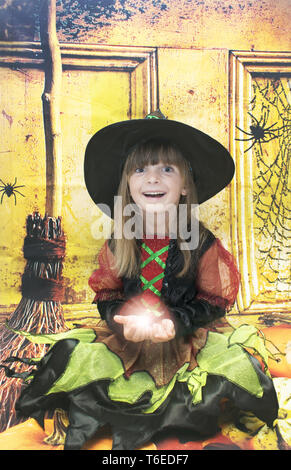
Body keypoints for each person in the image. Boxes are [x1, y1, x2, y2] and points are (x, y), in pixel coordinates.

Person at [2, 111, 278, 450]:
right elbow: (108, 294)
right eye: (140, 169)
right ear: (128, 185)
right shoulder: (121, 241)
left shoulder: (200, 242)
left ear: (185, 185)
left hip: (186, 339)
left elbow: (212, 300)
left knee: (234, 370)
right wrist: (122, 321)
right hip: (129, 341)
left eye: (167, 169)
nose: (153, 179)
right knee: (72, 358)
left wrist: (174, 323)